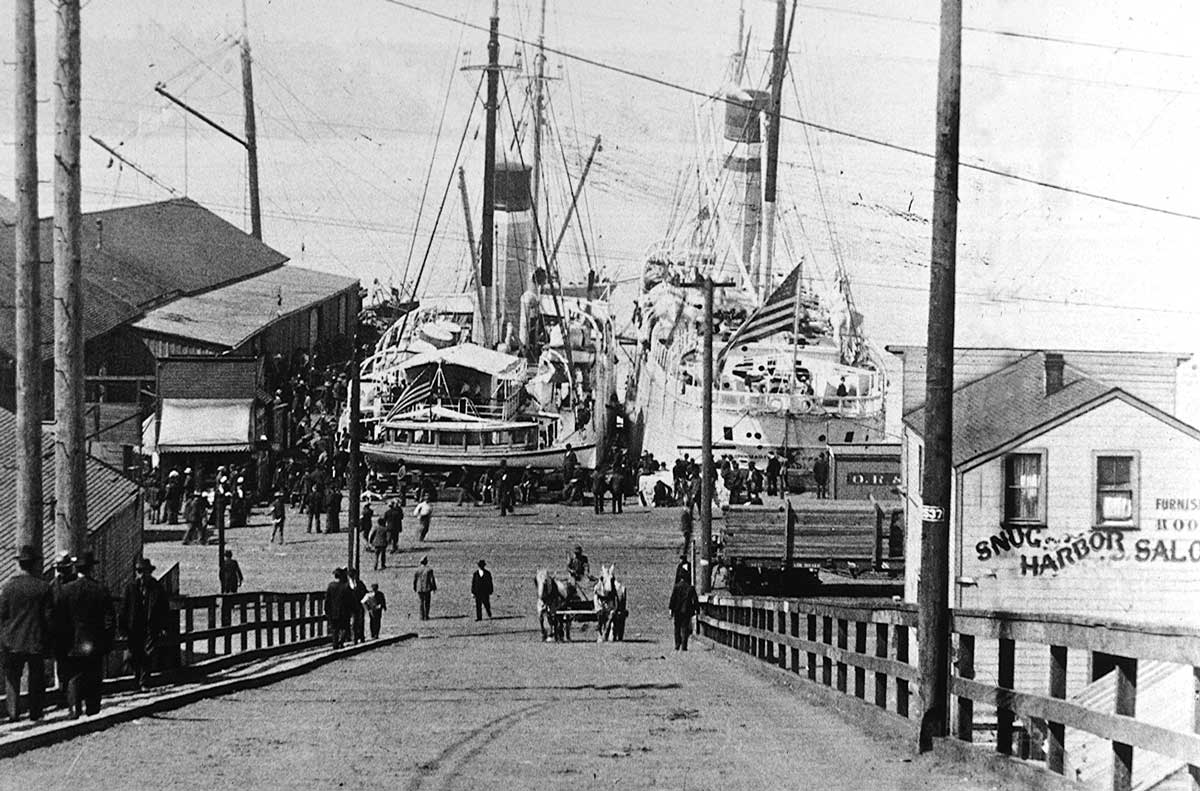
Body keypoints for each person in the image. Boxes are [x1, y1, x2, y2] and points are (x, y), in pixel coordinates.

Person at [0, 546, 52, 721]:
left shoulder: (8, 587)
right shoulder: (43, 587)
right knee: (36, 678)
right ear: (35, 564)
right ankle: (35, 712)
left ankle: (13, 713)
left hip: (12, 640)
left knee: (12, 677)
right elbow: (48, 618)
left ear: (20, 564)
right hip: (36, 639)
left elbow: (2, 614)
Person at [61, 551, 115, 718]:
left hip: (72, 641)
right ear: (91, 568)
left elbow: (59, 618)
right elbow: (110, 619)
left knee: (74, 675)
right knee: (94, 674)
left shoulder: (66, 590)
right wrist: (107, 640)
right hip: (94, 641)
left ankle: (74, 708)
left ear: (76, 569)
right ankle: (92, 708)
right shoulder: (100, 589)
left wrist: (62, 639)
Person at [120, 558, 170, 690]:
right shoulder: (130, 588)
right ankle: (136, 679)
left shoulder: (157, 588)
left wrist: (164, 627)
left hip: (151, 626)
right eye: (139, 571)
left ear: (150, 572)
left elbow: (164, 609)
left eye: (144, 571)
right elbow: (124, 609)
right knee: (134, 654)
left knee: (148, 654)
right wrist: (122, 629)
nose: (142, 575)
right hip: (134, 627)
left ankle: (144, 682)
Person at [668, 572, 700, 651]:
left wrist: (671, 609)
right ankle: (684, 645)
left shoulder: (676, 586)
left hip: (677, 610)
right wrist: (697, 609)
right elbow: (695, 600)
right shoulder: (690, 588)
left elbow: (673, 598)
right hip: (686, 610)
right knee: (685, 628)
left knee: (677, 628)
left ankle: (677, 644)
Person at [323, 568, 354, 649]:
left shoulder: (330, 586)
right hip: (344, 611)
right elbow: (350, 599)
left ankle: (335, 644)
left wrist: (326, 610)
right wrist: (351, 610)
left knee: (334, 629)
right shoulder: (345, 586)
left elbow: (327, 599)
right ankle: (341, 642)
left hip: (333, 611)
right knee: (345, 628)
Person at [347, 568, 368, 643]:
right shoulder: (347, 585)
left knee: (360, 622)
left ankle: (361, 637)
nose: (352, 577)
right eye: (351, 576)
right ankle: (354, 638)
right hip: (350, 606)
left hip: (359, 605)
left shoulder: (360, 583)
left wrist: (363, 600)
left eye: (353, 575)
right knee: (353, 623)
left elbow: (365, 593)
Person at [413, 556, 437, 620]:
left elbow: (415, 580)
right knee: (427, 602)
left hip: (419, 588)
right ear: (426, 562)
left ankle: (421, 616)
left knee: (421, 602)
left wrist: (414, 587)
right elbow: (432, 579)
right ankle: (426, 615)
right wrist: (434, 588)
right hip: (427, 588)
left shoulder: (417, 570)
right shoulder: (429, 570)